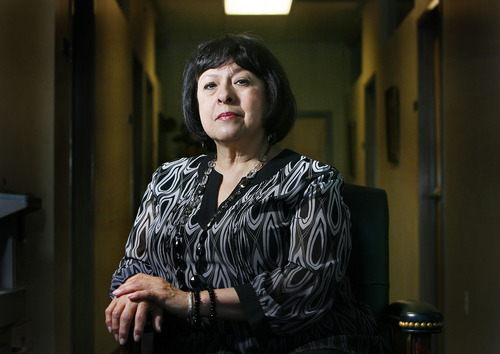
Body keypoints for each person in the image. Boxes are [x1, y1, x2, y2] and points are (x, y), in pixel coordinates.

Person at [105, 34, 388, 353]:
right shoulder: (167, 179)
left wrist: (186, 302)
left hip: (301, 345)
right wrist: (139, 298)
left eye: (241, 81)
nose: (224, 95)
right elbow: (132, 268)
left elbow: (305, 286)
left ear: (270, 97)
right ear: (196, 103)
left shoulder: (311, 180)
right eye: (209, 85)